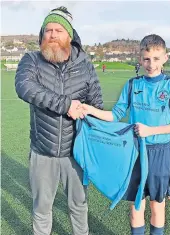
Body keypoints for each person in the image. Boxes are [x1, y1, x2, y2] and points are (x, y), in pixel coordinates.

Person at [81, 34, 170, 235]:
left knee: (157, 207)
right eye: (147, 59)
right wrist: (88, 110)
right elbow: (115, 115)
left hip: (160, 153)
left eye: (156, 59)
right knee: (136, 208)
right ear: (140, 59)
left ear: (165, 58)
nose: (151, 64)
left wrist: (152, 131)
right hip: (135, 154)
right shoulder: (133, 85)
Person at [15, 6, 103, 235]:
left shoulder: (85, 65)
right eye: (48, 30)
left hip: (76, 153)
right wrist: (66, 105)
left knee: (79, 206)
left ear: (70, 35)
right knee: (42, 208)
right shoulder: (32, 60)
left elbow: (96, 103)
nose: (52, 35)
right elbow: (25, 87)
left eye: (58, 30)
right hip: (42, 151)